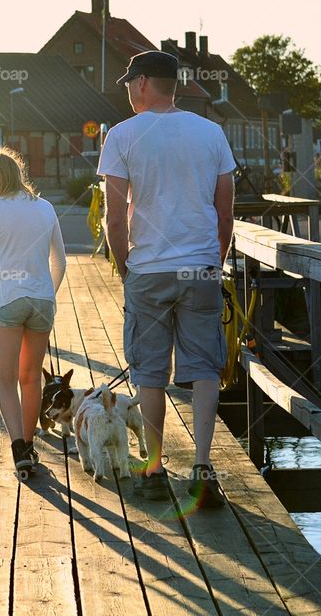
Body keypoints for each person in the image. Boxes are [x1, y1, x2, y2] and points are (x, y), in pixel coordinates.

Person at [99, 51, 235, 508]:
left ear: (141, 84)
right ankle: (202, 466)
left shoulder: (122, 136)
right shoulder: (211, 133)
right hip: (200, 266)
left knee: (150, 372)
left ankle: (155, 468)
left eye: (127, 85)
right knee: (203, 369)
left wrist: (125, 269)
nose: (127, 93)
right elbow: (225, 211)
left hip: (149, 269)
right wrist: (213, 262)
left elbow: (114, 220)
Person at [0, 146, 66, 479]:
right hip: (42, 302)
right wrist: (44, 294)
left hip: (8, 301)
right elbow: (60, 262)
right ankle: (29, 443)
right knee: (31, 378)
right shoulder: (46, 207)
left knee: (7, 381)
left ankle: (19, 449)